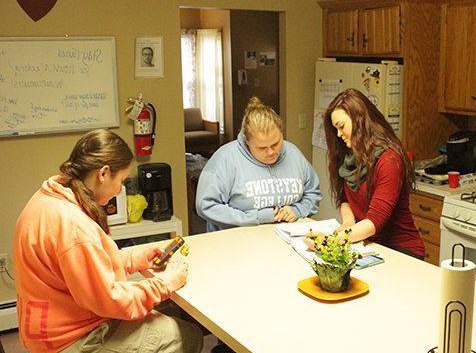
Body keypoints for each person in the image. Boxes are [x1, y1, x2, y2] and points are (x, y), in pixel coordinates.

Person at [12, 129, 203, 353]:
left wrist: (136, 258)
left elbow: (85, 266)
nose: (120, 189)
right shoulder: (74, 227)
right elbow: (111, 301)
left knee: (157, 316)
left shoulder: (50, 197)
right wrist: (167, 283)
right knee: (187, 336)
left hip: (46, 327)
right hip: (69, 340)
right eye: (121, 180)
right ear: (103, 174)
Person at [307, 88, 425, 259]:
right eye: (336, 129)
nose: (339, 135)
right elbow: (345, 200)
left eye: (341, 127)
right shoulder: (349, 156)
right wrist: (348, 223)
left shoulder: (389, 160)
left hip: (400, 251)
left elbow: (373, 223)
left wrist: (330, 240)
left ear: (360, 119)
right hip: (367, 245)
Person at [196, 96, 321, 232]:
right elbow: (206, 206)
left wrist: (297, 210)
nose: (271, 152)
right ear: (247, 141)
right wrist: (257, 217)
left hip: (286, 238)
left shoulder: (293, 153)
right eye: (262, 148)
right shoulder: (225, 159)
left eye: (276, 143)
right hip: (236, 242)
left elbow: (313, 192)